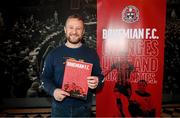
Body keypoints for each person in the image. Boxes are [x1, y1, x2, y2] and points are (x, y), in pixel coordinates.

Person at [40, 14, 104, 117]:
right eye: (71, 27)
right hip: (59, 109)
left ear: (83, 32)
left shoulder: (91, 54)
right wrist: (53, 91)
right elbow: (44, 78)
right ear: (65, 29)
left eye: (78, 28)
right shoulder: (53, 54)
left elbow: (100, 77)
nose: (74, 32)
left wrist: (97, 82)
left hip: (83, 109)